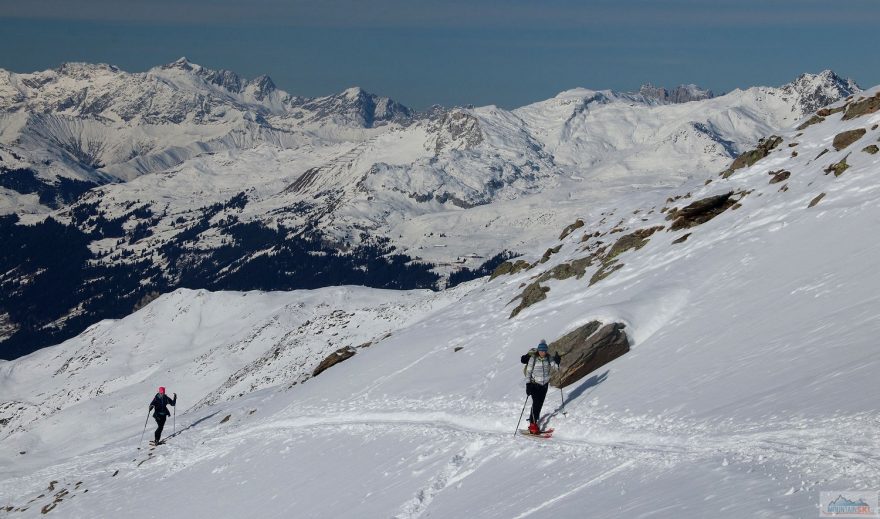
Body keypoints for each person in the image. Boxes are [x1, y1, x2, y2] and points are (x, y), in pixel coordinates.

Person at [523, 340, 561, 434]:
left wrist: (557, 361)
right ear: (538, 351)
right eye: (541, 351)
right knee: (535, 404)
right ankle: (532, 424)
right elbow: (528, 372)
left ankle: (534, 420)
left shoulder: (549, 358)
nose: (542, 352)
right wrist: (528, 385)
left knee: (540, 404)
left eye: (544, 351)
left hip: (544, 385)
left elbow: (556, 367)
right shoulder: (533, 359)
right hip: (535, 384)